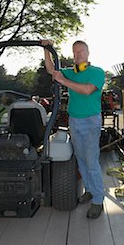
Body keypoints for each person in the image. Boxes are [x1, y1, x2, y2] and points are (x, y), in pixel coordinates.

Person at [41, 39, 105, 219]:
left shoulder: (97, 72)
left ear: (88, 53)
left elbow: (87, 90)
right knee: (81, 160)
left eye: (81, 52)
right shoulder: (70, 72)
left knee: (91, 161)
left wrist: (63, 81)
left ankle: (98, 200)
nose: (77, 55)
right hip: (74, 121)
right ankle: (90, 190)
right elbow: (50, 69)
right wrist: (47, 49)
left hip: (91, 121)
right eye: (75, 52)